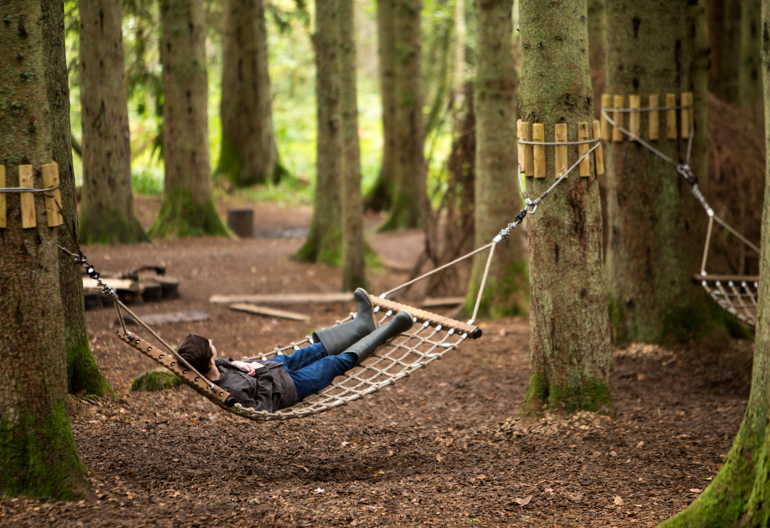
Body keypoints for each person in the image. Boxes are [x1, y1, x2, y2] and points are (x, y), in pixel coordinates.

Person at [177, 289, 413, 412]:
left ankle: (362, 324)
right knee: (330, 364)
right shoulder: (231, 393)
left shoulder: (214, 368)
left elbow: (226, 366)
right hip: (289, 387)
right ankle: (386, 332)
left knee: (318, 349)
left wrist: (238, 363)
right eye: (210, 345)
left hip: (276, 366)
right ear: (208, 361)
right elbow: (261, 408)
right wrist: (259, 375)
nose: (211, 340)